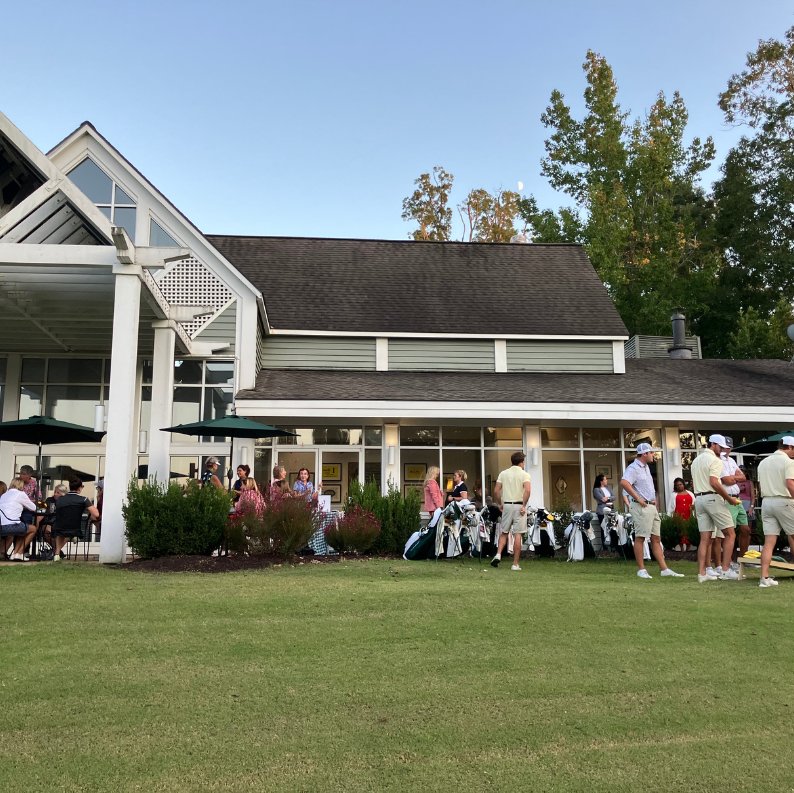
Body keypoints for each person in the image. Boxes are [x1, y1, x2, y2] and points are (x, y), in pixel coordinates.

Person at [620, 443, 684, 579]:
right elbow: (624, 482)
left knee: (656, 538)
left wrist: (652, 500)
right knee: (641, 537)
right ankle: (641, 570)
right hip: (640, 506)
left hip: (651, 506)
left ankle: (664, 569)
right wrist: (638, 498)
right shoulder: (633, 468)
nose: (653, 455)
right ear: (644, 454)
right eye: (651, 453)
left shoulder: (646, 467)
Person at [689, 434, 741, 583]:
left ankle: (702, 573)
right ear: (714, 445)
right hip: (712, 498)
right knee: (730, 534)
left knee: (705, 538)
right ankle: (725, 570)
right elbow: (714, 482)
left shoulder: (696, 461)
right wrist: (729, 498)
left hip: (699, 498)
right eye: (722, 447)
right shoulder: (715, 460)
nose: (724, 450)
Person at [755, 436, 794, 588]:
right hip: (784, 501)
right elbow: (790, 484)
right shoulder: (789, 462)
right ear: (789, 447)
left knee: (769, 542)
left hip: (766, 502)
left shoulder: (763, 462)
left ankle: (764, 578)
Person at [709, 436, 746, 578]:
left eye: (729, 447)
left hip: (736, 498)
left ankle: (741, 560)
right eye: (724, 447)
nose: (727, 449)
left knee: (744, 529)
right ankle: (725, 564)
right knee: (726, 533)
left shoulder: (731, 460)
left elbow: (743, 476)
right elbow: (726, 481)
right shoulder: (716, 461)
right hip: (726, 499)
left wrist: (734, 477)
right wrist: (734, 478)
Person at [491, 451, 532, 571]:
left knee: (504, 532)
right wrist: (524, 505)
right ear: (522, 462)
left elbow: (496, 491)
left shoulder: (503, 473)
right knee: (518, 534)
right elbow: (528, 490)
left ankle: (498, 554)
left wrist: (500, 503)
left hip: (507, 505)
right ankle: (515, 564)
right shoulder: (525, 474)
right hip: (519, 505)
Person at [53, 477, 100, 561]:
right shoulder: (83, 499)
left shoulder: (60, 500)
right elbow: (96, 514)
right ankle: (74, 536)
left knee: (61, 532)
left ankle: (57, 554)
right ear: (79, 488)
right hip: (76, 529)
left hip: (59, 528)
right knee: (68, 530)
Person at [0, 477, 37, 561]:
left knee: (22, 529)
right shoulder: (21, 494)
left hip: (1, 526)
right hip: (11, 525)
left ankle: (15, 554)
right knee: (33, 529)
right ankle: (19, 553)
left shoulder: (4, 495)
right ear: (21, 485)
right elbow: (33, 507)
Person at [736, 465, 755, 556]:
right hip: (737, 504)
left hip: (748, 505)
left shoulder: (749, 482)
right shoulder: (734, 483)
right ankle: (739, 551)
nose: (741, 473)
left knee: (748, 530)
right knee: (739, 530)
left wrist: (751, 507)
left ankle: (746, 551)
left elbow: (753, 496)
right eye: (740, 471)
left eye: (743, 471)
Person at [592, 472, 615, 544]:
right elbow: (602, 499)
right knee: (603, 527)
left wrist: (607, 498)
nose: (606, 481)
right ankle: (604, 546)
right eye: (605, 479)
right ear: (601, 481)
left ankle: (612, 545)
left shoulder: (608, 488)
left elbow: (614, 497)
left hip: (611, 510)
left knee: (612, 527)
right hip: (602, 511)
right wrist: (609, 498)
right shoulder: (596, 490)